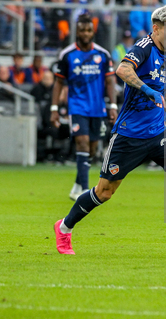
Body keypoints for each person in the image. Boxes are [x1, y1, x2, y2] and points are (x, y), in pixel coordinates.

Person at [53, 5, 166, 256]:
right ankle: (64, 228)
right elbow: (122, 70)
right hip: (129, 137)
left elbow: (156, 80)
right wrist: (149, 90)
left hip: (158, 134)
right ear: (157, 28)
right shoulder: (143, 47)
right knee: (104, 192)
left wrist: (163, 91)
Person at [51, 14, 118, 201]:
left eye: (89, 30)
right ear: (77, 31)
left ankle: (77, 186)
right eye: (82, 30)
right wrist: (54, 109)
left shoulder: (102, 54)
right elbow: (58, 83)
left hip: (97, 108)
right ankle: (86, 191)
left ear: (93, 31)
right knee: (81, 143)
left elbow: (110, 81)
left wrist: (112, 105)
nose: (86, 33)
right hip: (77, 106)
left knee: (91, 148)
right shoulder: (67, 55)